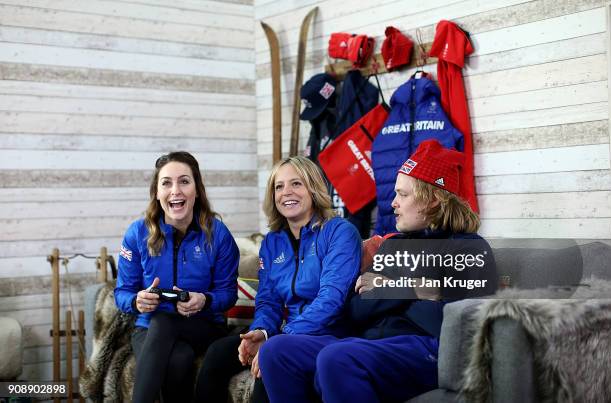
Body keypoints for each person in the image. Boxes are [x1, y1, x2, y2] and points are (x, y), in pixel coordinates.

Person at [257, 139, 497, 403]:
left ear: (434, 200)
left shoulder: (468, 248)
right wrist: (415, 290)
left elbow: (448, 323)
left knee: (337, 358)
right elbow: (357, 310)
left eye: (403, 195)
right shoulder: (393, 245)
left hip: (426, 350)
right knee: (276, 350)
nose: (392, 203)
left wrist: (388, 289)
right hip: (371, 343)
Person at [195, 155, 362, 403]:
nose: (286, 192)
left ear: (313, 188)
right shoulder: (272, 243)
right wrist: (261, 333)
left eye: (296, 184)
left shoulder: (339, 232)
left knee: (271, 365)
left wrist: (282, 338)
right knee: (218, 353)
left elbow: (332, 299)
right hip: (287, 335)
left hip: (330, 336)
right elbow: (268, 301)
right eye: (279, 186)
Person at [114, 151, 239, 403]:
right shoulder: (137, 233)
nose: (175, 190)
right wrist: (136, 301)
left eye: (184, 181)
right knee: (178, 356)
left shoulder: (218, 234)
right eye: (166, 183)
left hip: (202, 326)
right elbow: (122, 292)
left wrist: (204, 299)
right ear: (157, 192)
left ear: (196, 189)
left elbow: (228, 294)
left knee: (165, 321)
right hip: (148, 327)